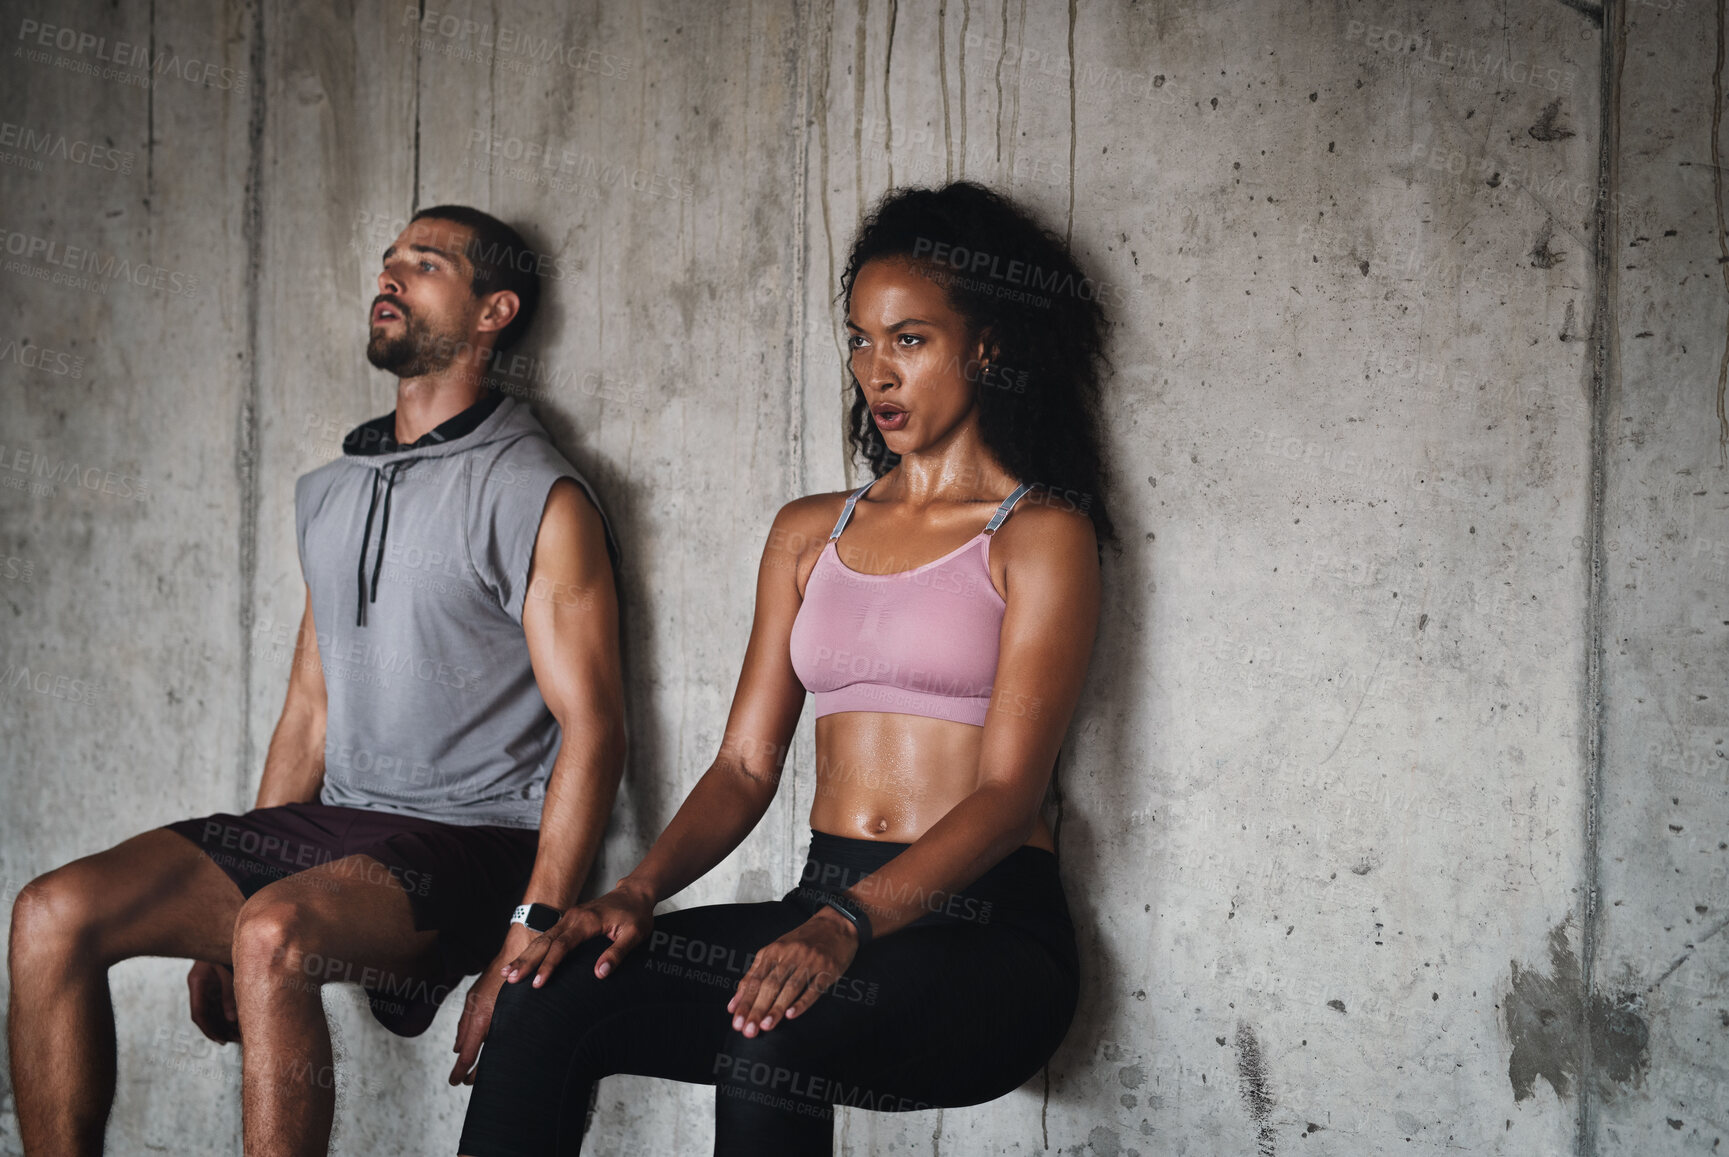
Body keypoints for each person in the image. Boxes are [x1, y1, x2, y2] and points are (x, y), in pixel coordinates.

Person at [456, 180, 1115, 1157]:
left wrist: (847, 922)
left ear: (986, 345)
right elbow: (743, 767)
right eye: (860, 339)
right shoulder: (812, 532)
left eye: (909, 339)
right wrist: (634, 893)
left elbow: (1011, 794)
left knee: (768, 1034)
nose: (875, 371)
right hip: (824, 901)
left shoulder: (1040, 535)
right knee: (542, 993)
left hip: (984, 936)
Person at [7, 205, 628, 1157]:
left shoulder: (532, 490)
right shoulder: (330, 487)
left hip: (471, 838)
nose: (391, 277)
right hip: (333, 828)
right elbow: (311, 705)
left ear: (495, 309)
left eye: (425, 264)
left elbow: (595, 730)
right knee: (50, 913)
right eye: (388, 262)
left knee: (271, 934)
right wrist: (243, 866)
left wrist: (528, 929)